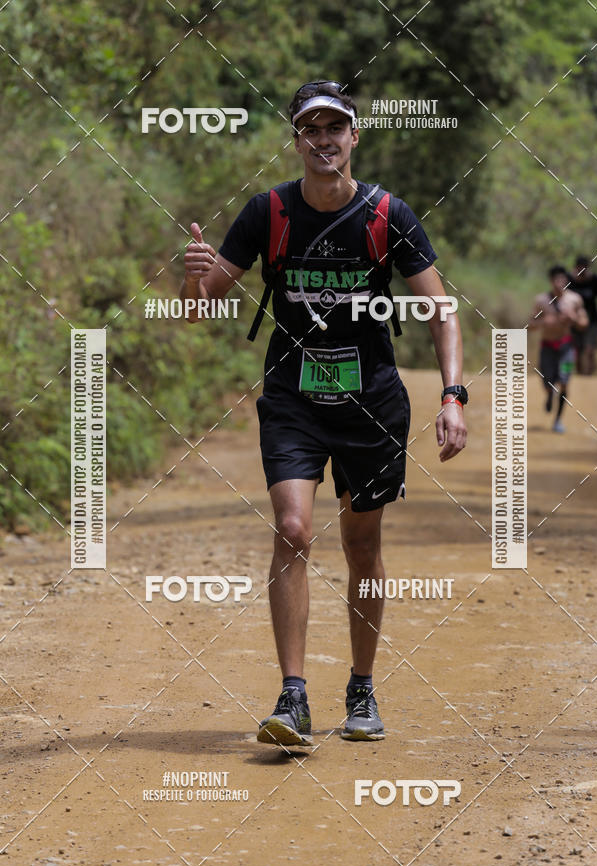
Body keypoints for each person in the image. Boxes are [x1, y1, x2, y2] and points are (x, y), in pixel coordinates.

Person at [181, 81, 467, 745]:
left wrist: (453, 394)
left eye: (334, 127)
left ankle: (361, 689)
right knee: (292, 529)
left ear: (354, 136)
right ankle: (293, 697)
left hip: (371, 402)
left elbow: (440, 312)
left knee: (362, 544)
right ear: (297, 139)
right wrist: (193, 274)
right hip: (292, 398)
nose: (323, 139)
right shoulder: (267, 212)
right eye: (310, 128)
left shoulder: (388, 215)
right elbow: (200, 306)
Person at [529, 265, 588, 433]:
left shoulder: (575, 300)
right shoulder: (541, 301)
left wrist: (574, 318)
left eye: (563, 279)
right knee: (548, 382)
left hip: (566, 348)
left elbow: (584, 323)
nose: (559, 283)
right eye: (556, 280)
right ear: (551, 281)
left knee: (564, 381)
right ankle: (549, 394)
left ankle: (557, 420)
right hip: (547, 347)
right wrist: (543, 322)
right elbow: (530, 325)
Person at [570, 255, 597, 375]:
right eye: (579, 267)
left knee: (589, 349)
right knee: (577, 349)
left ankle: (590, 374)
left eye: (584, 267)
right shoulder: (570, 280)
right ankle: (580, 374)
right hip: (574, 321)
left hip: (592, 319)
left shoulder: (594, 280)